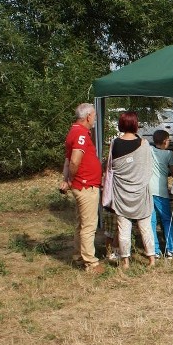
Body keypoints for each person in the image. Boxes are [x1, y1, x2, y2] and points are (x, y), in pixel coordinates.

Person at [108, 112, 156, 268]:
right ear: (136, 124)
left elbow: (110, 168)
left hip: (121, 193)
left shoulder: (115, 143)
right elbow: (149, 169)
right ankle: (151, 259)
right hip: (141, 193)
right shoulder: (144, 144)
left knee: (123, 229)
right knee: (145, 227)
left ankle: (125, 261)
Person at [60, 103, 104, 273]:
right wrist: (70, 180)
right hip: (86, 185)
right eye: (94, 116)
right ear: (88, 117)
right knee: (89, 225)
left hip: (83, 184)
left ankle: (78, 255)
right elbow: (74, 160)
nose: (94, 119)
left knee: (81, 223)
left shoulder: (76, 131)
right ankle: (90, 262)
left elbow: (67, 160)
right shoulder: (80, 134)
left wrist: (67, 180)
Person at [148, 130, 173, 259]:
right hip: (161, 191)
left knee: (151, 221)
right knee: (167, 220)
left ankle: (154, 250)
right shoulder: (168, 154)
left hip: (148, 190)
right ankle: (170, 248)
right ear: (165, 141)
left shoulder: (149, 150)